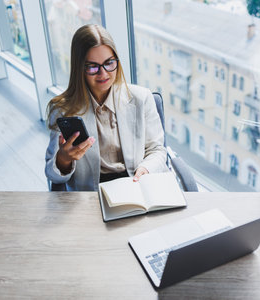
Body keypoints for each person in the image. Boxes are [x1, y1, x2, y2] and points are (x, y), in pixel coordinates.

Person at [45, 24, 168, 191]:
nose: (103, 74)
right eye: (92, 66)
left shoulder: (142, 98)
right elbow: (52, 175)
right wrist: (63, 160)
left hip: (137, 182)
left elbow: (157, 150)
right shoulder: (62, 110)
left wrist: (145, 169)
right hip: (92, 194)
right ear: (79, 68)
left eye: (109, 63)